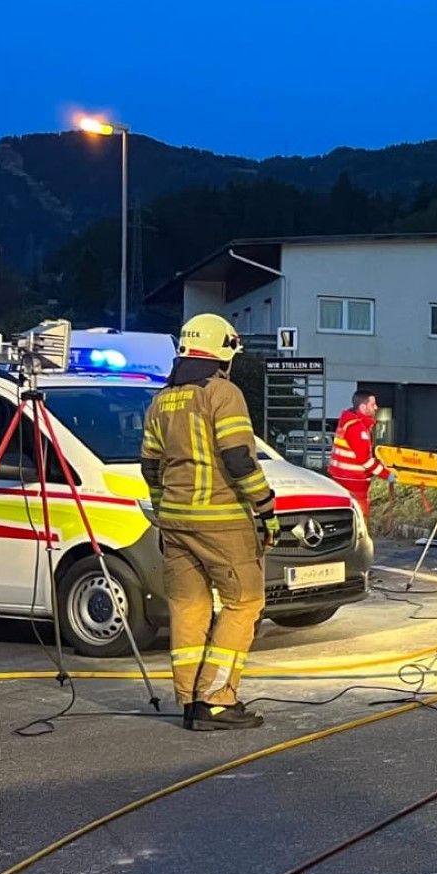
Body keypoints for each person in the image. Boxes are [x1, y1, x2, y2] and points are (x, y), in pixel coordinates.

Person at [140, 314, 279, 733]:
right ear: (223, 350)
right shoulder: (223, 393)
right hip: (222, 521)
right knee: (244, 604)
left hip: (177, 523)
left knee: (189, 608)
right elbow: (239, 458)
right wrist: (265, 506)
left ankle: (189, 701)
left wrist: (166, 514)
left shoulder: (161, 400)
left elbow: (150, 467)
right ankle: (216, 700)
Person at [328, 390, 392, 517]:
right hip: (353, 483)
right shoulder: (357, 428)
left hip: (341, 479)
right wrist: (387, 475)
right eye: (373, 405)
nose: (376, 407)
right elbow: (366, 460)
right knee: (360, 518)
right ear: (363, 407)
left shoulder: (349, 422)